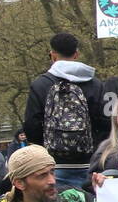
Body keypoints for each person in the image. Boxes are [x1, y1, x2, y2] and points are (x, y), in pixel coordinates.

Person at [23, 32, 110, 191]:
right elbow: (107, 123)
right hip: (91, 164)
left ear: (53, 55)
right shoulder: (97, 85)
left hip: (53, 165)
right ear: (76, 54)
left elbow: (31, 126)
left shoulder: (40, 84)